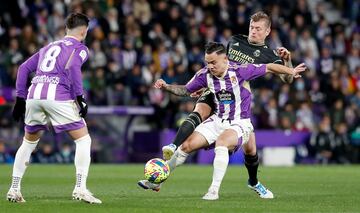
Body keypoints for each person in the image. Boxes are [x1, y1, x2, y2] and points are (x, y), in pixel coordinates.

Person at [139, 42, 306, 200]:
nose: (210, 66)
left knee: (223, 142)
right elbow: (185, 90)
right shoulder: (205, 75)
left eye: (213, 62)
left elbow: (269, 67)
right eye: (207, 62)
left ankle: (213, 190)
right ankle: (156, 181)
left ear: (225, 59)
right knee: (186, 146)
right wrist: (166, 86)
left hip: (240, 122)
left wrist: (290, 71)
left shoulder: (240, 71)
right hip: (217, 120)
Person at [161, 11, 294, 197]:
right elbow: (218, 60)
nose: (253, 32)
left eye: (258, 29)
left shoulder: (270, 54)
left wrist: (287, 60)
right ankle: (172, 151)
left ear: (267, 31)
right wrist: (208, 82)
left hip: (238, 98)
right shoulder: (236, 40)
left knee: (250, 148)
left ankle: (253, 182)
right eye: (251, 27)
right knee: (199, 111)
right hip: (216, 88)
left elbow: (287, 79)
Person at [6, 13, 101, 204]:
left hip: (34, 95)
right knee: (83, 140)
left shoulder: (48, 47)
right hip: (57, 95)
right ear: (84, 31)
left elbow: (24, 68)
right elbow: (74, 66)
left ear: (67, 29)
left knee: (28, 144)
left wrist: (20, 98)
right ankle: (80, 188)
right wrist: (80, 97)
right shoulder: (81, 48)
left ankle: (14, 189)